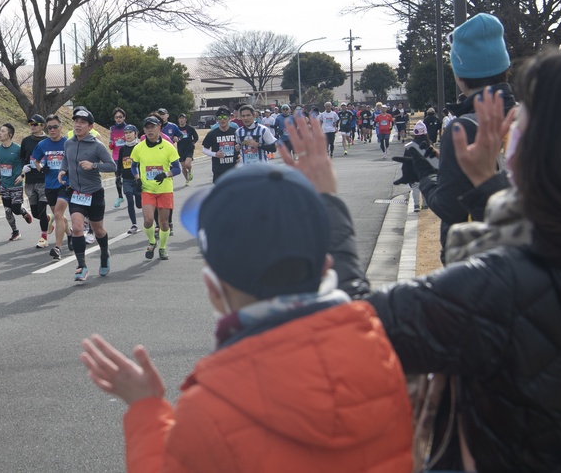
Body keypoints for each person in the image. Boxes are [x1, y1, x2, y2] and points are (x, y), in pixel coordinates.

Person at [360, 46, 561, 472]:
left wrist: (322, 204)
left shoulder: (493, 286)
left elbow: (347, 331)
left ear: (554, 144)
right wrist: (489, 185)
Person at [79, 160, 413, 473]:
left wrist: (146, 409)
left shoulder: (211, 408)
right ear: (326, 265)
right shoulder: (383, 348)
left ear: (213, 290)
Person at [409, 13, 516, 251]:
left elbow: (451, 208)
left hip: (479, 254)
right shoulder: (524, 116)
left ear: (459, 73)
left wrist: (425, 176)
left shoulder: (463, 127)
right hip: (525, 246)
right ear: (505, 66)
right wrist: (441, 158)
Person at [59, 108, 118, 281]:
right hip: (76, 192)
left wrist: (94, 166)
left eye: (82, 122)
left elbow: (112, 166)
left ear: (90, 126)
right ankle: (82, 266)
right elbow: (65, 159)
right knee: (77, 228)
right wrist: (63, 170)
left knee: (98, 230)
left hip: (94, 194)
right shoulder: (68, 143)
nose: (78, 125)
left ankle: (104, 254)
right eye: (76, 121)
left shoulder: (97, 146)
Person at [131, 116, 181, 260]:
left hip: (165, 189)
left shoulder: (168, 146)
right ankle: (152, 242)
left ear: (159, 127)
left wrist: (165, 174)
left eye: (152, 127)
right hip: (148, 189)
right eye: (147, 128)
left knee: (164, 222)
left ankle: (163, 248)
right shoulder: (139, 147)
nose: (150, 130)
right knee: (148, 220)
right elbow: (133, 166)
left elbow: (177, 168)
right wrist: (138, 179)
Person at [31, 114, 70, 260]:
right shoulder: (42, 145)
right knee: (59, 216)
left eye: (55, 127)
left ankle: (57, 248)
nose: (52, 130)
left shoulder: (68, 143)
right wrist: (41, 168)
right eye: (49, 128)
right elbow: (35, 160)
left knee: (58, 215)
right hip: (49, 185)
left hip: (65, 184)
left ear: (60, 127)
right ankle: (70, 234)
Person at [0, 122, 33, 242]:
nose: (0, 133)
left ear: (10, 135)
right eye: (0, 131)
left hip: (16, 184)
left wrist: (22, 176)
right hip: (4, 185)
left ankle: (23, 211)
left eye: (3, 131)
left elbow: (26, 165)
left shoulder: (18, 150)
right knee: (7, 210)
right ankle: (15, 231)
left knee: (15, 209)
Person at [20, 115, 51, 249]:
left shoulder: (48, 141)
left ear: (42, 126)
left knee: (41, 210)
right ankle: (48, 220)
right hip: (30, 180)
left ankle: (43, 237)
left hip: (44, 180)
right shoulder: (26, 141)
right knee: (35, 212)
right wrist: (23, 168)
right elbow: (22, 157)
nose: (32, 126)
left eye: (35, 124)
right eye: (30, 124)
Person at [202, 107, 240, 183]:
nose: (222, 120)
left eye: (225, 117)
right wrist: (215, 154)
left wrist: (241, 155)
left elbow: (244, 146)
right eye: (220, 117)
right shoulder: (212, 134)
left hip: (234, 168)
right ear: (217, 119)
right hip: (219, 169)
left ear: (229, 118)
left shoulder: (236, 132)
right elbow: (204, 149)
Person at [117, 125, 143, 234]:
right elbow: (119, 164)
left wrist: (140, 178)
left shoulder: (140, 146)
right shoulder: (123, 149)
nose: (127, 135)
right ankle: (134, 224)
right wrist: (118, 176)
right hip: (126, 179)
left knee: (139, 204)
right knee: (130, 201)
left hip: (137, 179)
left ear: (135, 133)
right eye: (126, 133)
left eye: (130, 132)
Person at [109, 108, 128, 208]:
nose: (118, 119)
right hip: (116, 156)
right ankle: (120, 196)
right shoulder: (112, 129)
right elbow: (110, 142)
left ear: (124, 117)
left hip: (127, 155)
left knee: (128, 177)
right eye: (116, 117)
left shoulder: (128, 128)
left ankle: (130, 194)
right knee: (118, 178)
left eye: (120, 117)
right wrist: (111, 144)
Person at [175, 113, 199, 185]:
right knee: (183, 167)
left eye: (183, 118)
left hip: (189, 148)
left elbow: (196, 137)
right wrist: (175, 139)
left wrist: (193, 142)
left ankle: (190, 170)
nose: (181, 120)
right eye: (180, 118)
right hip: (181, 149)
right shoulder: (176, 129)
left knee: (187, 164)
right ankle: (187, 179)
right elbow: (173, 137)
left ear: (185, 119)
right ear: (178, 120)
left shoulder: (190, 128)